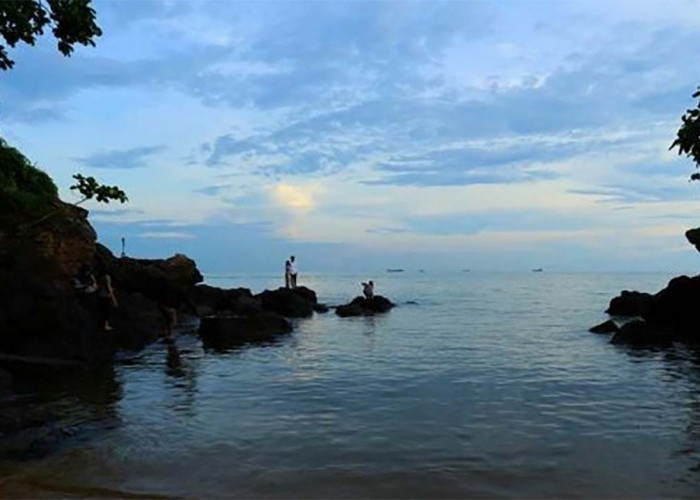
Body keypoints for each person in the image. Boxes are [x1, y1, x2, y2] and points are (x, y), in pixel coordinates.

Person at [95, 261, 118, 331]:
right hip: (105, 296)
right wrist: (114, 299)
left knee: (101, 311)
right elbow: (108, 288)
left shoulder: (99, 276)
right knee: (106, 312)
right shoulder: (106, 277)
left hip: (99, 295)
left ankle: (101, 325)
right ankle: (105, 325)